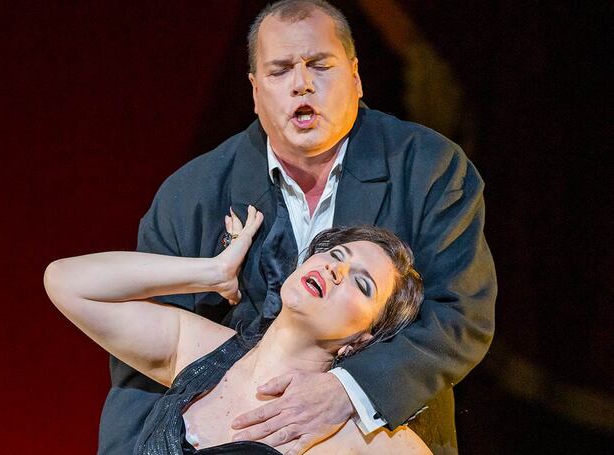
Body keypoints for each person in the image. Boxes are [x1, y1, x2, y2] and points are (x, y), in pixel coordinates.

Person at [100, 1, 497, 454]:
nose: (302, 84)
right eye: (281, 70)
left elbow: (461, 315)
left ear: (355, 74)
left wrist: (350, 391)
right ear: (254, 90)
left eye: (319, 65)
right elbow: (138, 360)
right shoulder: (192, 194)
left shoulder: (429, 168)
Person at [45, 207, 430, 454]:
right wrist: (212, 272)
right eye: (335, 254)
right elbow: (67, 282)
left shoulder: (356, 439)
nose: (335, 269)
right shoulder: (200, 349)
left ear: (362, 338)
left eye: (362, 285)